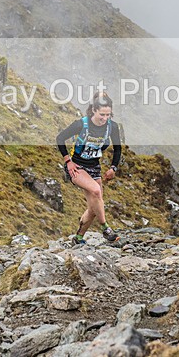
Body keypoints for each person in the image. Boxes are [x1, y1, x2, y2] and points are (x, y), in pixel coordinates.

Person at [57, 91, 122, 245]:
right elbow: (60, 138)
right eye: (102, 115)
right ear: (94, 110)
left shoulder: (112, 127)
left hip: (94, 168)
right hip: (77, 167)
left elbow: (118, 148)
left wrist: (113, 167)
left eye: (108, 115)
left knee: (94, 207)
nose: (105, 118)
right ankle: (105, 228)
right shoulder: (81, 124)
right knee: (96, 191)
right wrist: (68, 161)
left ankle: (78, 238)